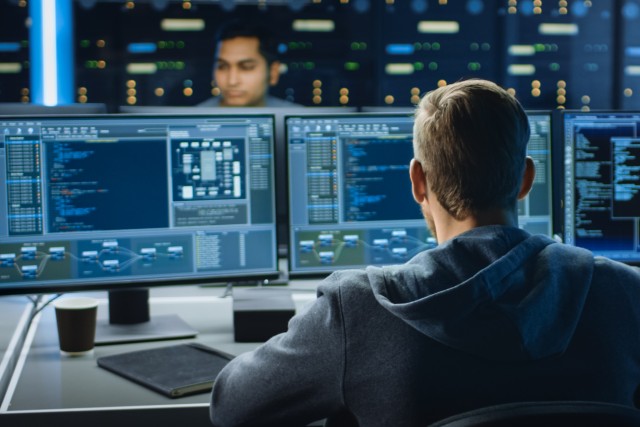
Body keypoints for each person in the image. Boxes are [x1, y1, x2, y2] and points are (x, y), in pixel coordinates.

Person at [209, 79, 640, 426]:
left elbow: (232, 407)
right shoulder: (624, 293)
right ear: (526, 179)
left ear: (418, 181)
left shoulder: (358, 309)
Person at [198, 20, 299, 108]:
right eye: (222, 66)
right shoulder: (195, 119)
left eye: (246, 67)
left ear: (273, 73)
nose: (232, 81)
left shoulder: (296, 119)